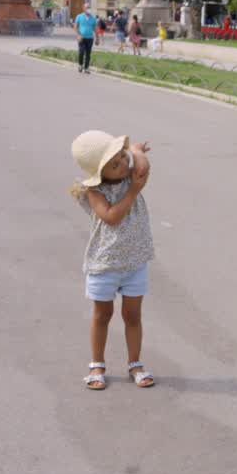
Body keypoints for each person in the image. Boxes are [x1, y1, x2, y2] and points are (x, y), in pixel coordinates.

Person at [69, 130, 156, 391]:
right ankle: (97, 365)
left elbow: (142, 168)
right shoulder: (94, 191)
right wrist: (133, 192)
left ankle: (135, 364)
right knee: (102, 315)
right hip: (104, 265)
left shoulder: (130, 176)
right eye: (115, 164)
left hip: (134, 264)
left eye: (122, 157)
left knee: (132, 315)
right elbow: (111, 217)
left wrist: (137, 153)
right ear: (100, 172)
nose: (124, 165)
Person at [74, 4, 98, 73]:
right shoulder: (79, 16)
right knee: (81, 52)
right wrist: (78, 35)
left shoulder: (93, 18)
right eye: (87, 7)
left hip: (90, 38)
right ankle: (80, 65)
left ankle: (86, 68)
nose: (88, 9)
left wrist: (97, 38)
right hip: (81, 38)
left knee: (88, 53)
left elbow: (95, 29)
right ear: (83, 8)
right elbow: (75, 26)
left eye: (89, 7)